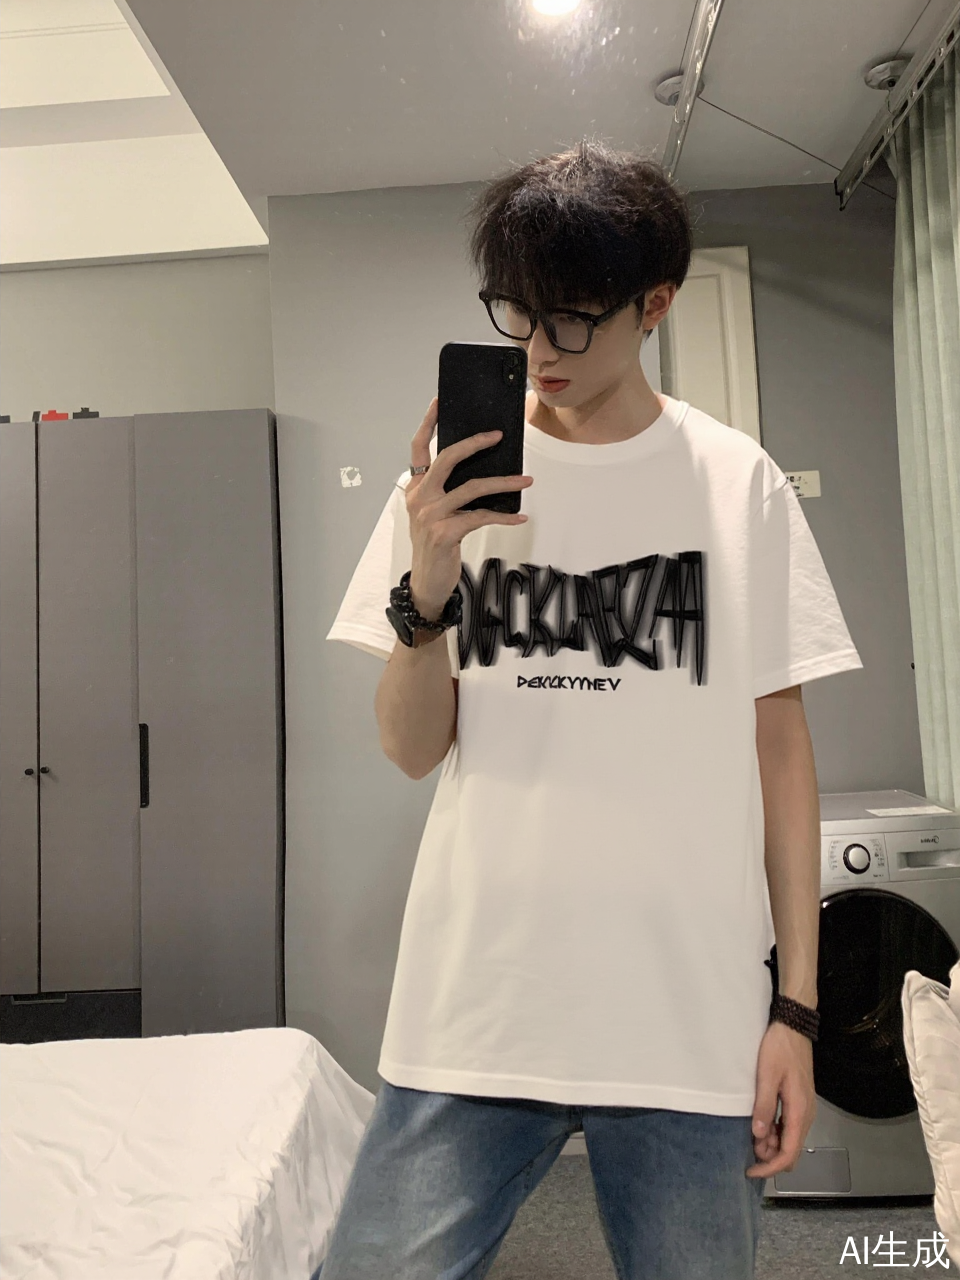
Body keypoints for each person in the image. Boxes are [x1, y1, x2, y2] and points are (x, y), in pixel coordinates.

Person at [321, 139, 863, 1279]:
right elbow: (411, 751)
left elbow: (781, 754)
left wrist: (798, 1013)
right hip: (474, 1010)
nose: (536, 350)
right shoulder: (450, 492)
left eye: (570, 320)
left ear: (653, 304)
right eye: (516, 312)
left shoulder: (737, 483)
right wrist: (429, 580)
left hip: (690, 1023)